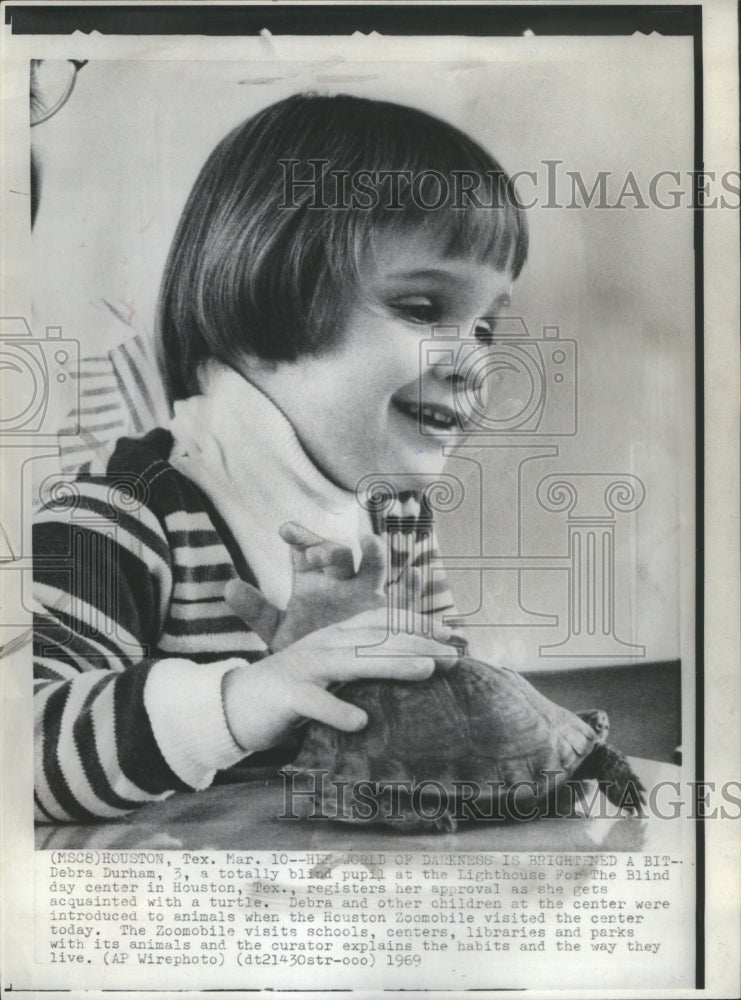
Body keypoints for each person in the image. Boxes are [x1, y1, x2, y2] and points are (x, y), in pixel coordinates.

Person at [32, 92, 528, 823]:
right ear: (263, 299)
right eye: (423, 310)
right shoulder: (120, 513)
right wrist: (244, 700)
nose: (473, 364)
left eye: (485, 329)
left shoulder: (396, 525)